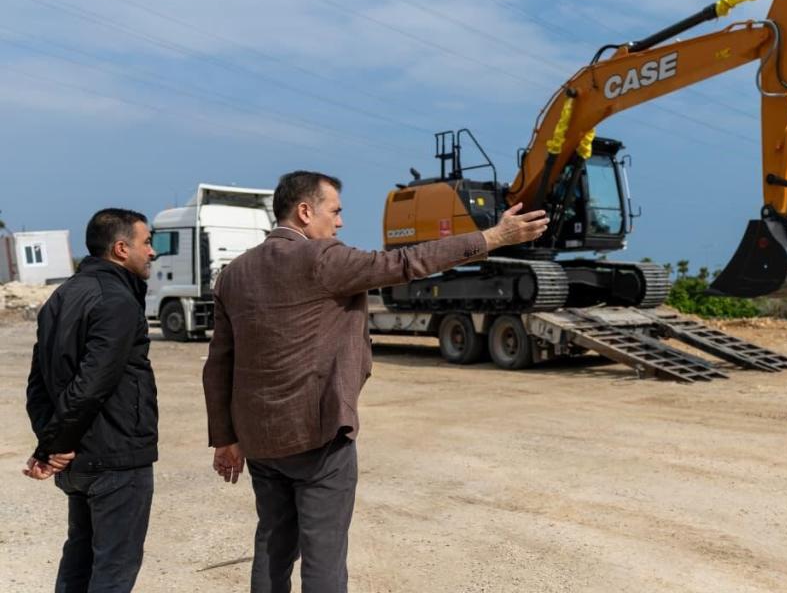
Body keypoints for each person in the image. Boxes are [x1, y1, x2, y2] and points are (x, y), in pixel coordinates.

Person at [203, 171, 547, 592]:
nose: (341, 222)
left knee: (273, 545)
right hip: (318, 436)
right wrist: (492, 238)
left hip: (259, 439)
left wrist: (226, 438)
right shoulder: (323, 259)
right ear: (305, 211)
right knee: (323, 555)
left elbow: (219, 362)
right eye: (335, 211)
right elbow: (406, 263)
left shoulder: (233, 274)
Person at [25, 208, 159, 592]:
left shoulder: (62, 295)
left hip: (79, 458)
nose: (152, 252)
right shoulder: (116, 301)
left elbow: (38, 385)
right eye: (146, 242)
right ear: (121, 248)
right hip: (114, 457)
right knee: (113, 569)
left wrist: (52, 444)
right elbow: (92, 384)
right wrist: (56, 446)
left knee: (79, 559)